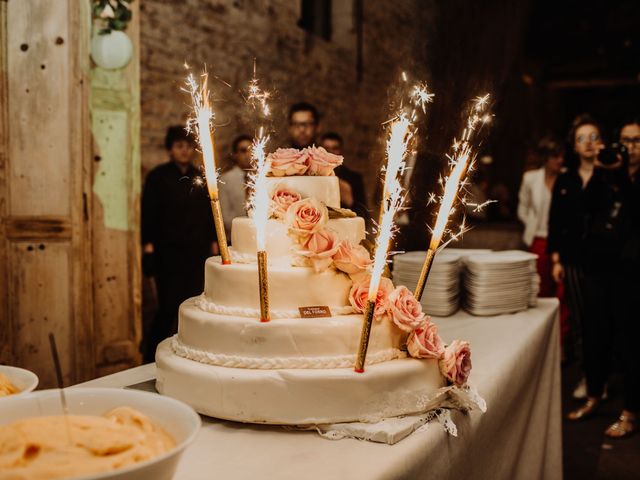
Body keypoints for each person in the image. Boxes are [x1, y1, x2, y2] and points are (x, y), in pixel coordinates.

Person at [140, 126, 217, 362]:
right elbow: (149, 214)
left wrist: (214, 243)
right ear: (170, 149)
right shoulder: (158, 176)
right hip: (168, 252)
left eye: (187, 146)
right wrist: (148, 247)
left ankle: (191, 353)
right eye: (178, 146)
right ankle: (150, 355)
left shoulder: (201, 177)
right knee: (168, 306)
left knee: (194, 304)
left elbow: (210, 213)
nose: (184, 151)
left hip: (197, 251)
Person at [547, 115, 601, 399]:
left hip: (605, 261)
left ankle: (602, 379)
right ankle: (588, 378)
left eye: (594, 136)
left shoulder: (609, 174)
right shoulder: (566, 180)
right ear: (575, 146)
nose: (589, 143)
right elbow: (556, 222)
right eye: (582, 138)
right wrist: (556, 259)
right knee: (581, 321)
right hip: (573, 260)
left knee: (605, 320)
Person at [603, 118, 640, 438]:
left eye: (637, 141)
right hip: (619, 270)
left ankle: (630, 413)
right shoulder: (610, 174)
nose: (630, 147)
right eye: (626, 141)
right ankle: (630, 408)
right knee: (626, 341)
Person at [518, 137, 569, 347]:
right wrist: (531, 223)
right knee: (540, 292)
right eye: (555, 156)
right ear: (546, 159)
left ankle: (562, 341)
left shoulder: (567, 179)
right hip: (538, 239)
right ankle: (540, 342)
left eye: (562, 156)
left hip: (562, 242)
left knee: (562, 294)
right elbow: (523, 207)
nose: (560, 160)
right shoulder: (531, 178)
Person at [320, 132, 369, 219]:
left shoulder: (354, 179)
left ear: (341, 151)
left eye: (335, 148)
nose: (330, 153)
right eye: (326, 149)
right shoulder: (313, 177)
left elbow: (364, 216)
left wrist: (350, 202)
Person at [219, 134, 253, 240]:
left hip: (259, 235)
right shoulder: (225, 179)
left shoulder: (263, 177)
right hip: (235, 236)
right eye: (243, 151)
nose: (248, 154)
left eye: (251, 150)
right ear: (235, 155)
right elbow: (224, 215)